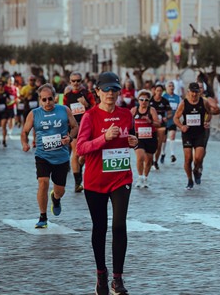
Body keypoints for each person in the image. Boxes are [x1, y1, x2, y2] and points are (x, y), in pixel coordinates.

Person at [76, 72, 138, 295]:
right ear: (98, 92)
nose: (110, 94)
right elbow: (80, 148)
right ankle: (101, 274)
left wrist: (134, 141)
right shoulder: (90, 116)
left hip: (121, 177)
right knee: (100, 227)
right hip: (95, 180)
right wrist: (104, 139)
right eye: (106, 90)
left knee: (119, 225)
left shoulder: (126, 115)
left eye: (114, 89)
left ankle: (117, 279)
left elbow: (132, 137)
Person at [20, 84, 78, 229]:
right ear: (39, 100)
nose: (47, 103)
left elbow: (75, 127)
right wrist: (25, 144)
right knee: (43, 183)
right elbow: (24, 131)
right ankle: (43, 216)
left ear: (55, 98)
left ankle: (56, 198)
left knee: (60, 190)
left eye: (50, 99)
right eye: (44, 100)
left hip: (61, 157)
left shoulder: (64, 110)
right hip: (42, 156)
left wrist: (70, 138)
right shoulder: (34, 114)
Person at [173, 82, 214, 189]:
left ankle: (196, 171)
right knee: (188, 159)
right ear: (188, 91)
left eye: (196, 92)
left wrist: (207, 121)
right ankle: (190, 180)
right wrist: (181, 126)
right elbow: (175, 118)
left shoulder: (204, 102)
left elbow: (209, 113)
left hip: (200, 133)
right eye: (192, 92)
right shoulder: (184, 103)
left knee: (199, 158)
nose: (194, 94)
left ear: (199, 92)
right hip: (187, 134)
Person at [63, 71, 97, 193]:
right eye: (73, 81)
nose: (76, 83)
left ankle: (80, 169)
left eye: (78, 81)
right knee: (76, 153)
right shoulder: (67, 96)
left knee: (84, 156)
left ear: (81, 81)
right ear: (70, 82)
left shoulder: (87, 94)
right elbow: (64, 111)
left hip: (87, 127)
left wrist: (86, 104)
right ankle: (77, 183)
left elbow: (95, 110)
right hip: (74, 127)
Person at [132, 89, 160, 188]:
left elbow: (158, 123)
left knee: (148, 160)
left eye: (146, 100)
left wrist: (150, 121)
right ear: (138, 100)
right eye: (142, 99)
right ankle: (139, 177)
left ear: (149, 101)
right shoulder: (134, 110)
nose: (144, 102)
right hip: (138, 138)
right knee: (140, 157)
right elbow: (127, 122)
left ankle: (145, 178)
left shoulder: (151, 110)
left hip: (150, 138)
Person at [149, 84, 171, 170]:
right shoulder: (150, 100)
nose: (159, 93)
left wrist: (167, 117)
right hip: (151, 125)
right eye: (157, 91)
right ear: (154, 91)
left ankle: (155, 161)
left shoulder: (165, 101)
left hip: (161, 125)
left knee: (159, 145)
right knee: (151, 144)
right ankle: (150, 159)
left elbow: (169, 113)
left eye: (160, 91)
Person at [161, 81, 181, 163]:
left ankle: (172, 154)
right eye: (169, 86)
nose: (171, 87)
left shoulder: (177, 97)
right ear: (166, 88)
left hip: (173, 120)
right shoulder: (164, 96)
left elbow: (180, 108)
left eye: (172, 86)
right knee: (164, 138)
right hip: (165, 120)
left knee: (172, 136)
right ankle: (162, 153)